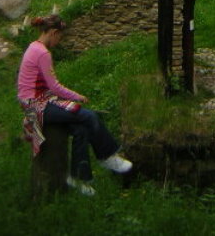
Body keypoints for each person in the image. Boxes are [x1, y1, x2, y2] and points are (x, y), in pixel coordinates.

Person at [17, 13, 132, 196]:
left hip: (36, 102)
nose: (59, 41)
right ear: (53, 33)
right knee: (89, 116)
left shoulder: (33, 47)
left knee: (81, 130)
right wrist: (77, 96)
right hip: (37, 105)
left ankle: (78, 176)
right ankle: (107, 156)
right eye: (60, 37)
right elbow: (54, 86)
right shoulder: (43, 53)